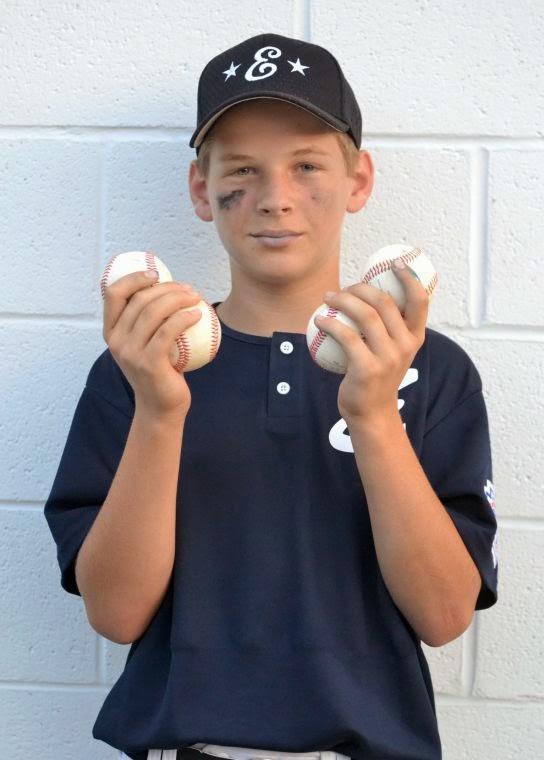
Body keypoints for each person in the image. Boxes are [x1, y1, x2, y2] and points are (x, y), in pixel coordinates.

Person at [45, 33, 498, 760]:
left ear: (358, 180)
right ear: (203, 189)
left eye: (307, 165)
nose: (275, 199)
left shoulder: (428, 367)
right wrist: (160, 411)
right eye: (243, 170)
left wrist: (373, 416)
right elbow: (117, 613)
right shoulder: (139, 365)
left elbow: (444, 615)